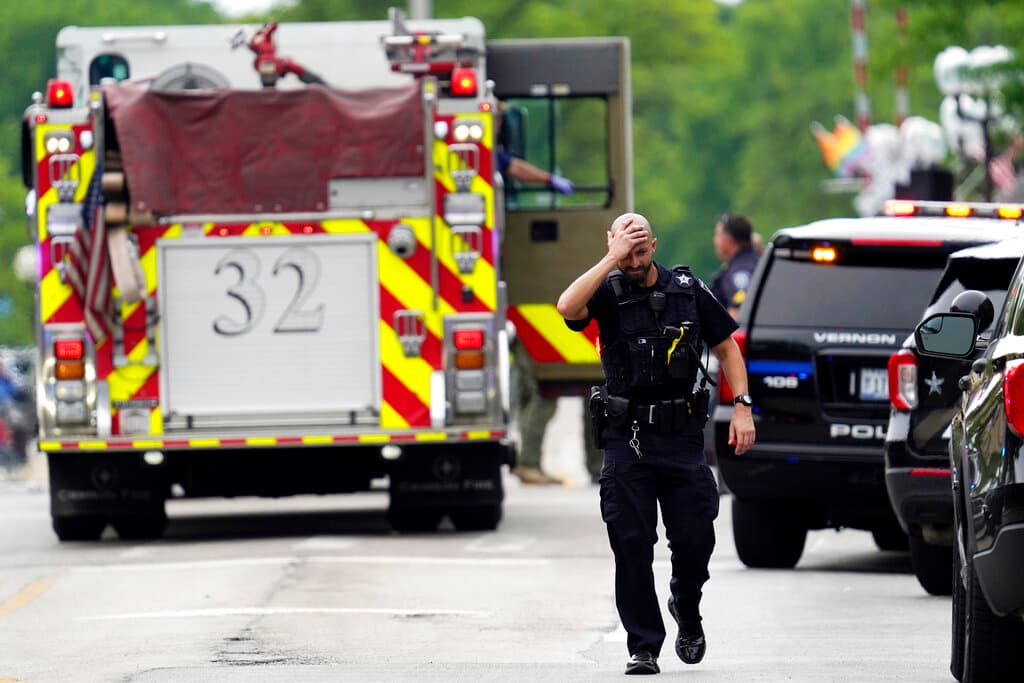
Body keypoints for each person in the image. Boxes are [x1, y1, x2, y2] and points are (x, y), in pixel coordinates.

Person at [556, 213, 755, 675]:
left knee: (694, 538)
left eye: (641, 251)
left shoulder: (687, 289)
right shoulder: (606, 291)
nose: (634, 260)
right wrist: (610, 258)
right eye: (626, 251)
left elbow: (727, 347)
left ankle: (686, 606)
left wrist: (742, 406)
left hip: (682, 437)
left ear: (654, 246)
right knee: (630, 542)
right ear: (613, 246)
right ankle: (643, 644)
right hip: (629, 439)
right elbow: (567, 307)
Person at [710, 212, 759, 319]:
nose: (714, 240)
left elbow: (739, 313)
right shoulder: (755, 262)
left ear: (729, 240)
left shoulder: (740, 271)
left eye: (717, 235)